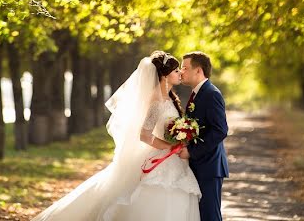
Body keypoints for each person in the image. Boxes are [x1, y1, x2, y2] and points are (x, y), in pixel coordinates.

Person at [31, 51, 200, 221]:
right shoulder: (156, 101)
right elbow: (145, 135)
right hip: (161, 157)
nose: (180, 74)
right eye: (176, 70)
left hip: (173, 158)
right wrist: (170, 146)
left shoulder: (170, 98)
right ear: (164, 75)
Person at [178, 51, 229, 221]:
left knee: (210, 215)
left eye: (184, 67)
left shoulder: (211, 93)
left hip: (209, 166)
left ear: (198, 70)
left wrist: (192, 152)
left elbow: (220, 130)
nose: (181, 71)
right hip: (199, 165)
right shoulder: (197, 93)